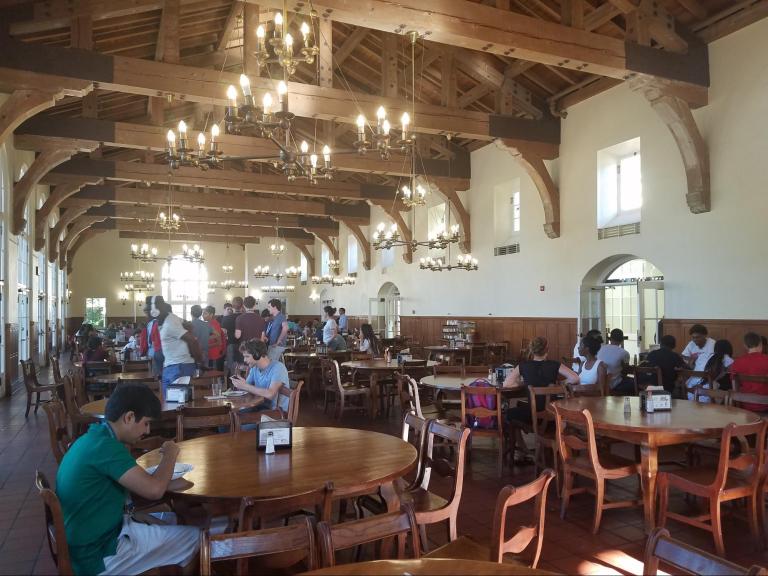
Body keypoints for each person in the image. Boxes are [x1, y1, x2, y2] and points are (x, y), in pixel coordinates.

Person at [55, 384, 199, 575]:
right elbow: (154, 490)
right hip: (97, 555)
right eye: (146, 423)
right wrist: (171, 453)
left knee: (171, 519)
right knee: (196, 538)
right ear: (129, 417)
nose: (147, 431)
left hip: (90, 537)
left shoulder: (95, 437)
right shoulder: (106, 448)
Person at [503, 337, 578, 459]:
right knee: (520, 409)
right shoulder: (555, 365)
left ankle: (524, 449)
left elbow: (506, 384)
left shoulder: (524, 366)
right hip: (553, 415)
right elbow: (575, 379)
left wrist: (523, 383)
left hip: (532, 415)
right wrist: (561, 384)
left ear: (531, 351)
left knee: (509, 414)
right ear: (547, 350)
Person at [150, 296, 201, 395]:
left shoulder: (170, 323)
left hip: (178, 366)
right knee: (171, 401)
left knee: (176, 403)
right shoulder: (170, 320)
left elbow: (192, 340)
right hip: (172, 365)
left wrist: (199, 361)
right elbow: (189, 327)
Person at [230, 339, 291, 421]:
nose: (244, 360)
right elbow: (246, 389)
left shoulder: (278, 368)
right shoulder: (255, 368)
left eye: (247, 356)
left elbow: (270, 394)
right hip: (260, 407)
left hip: (275, 414)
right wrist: (240, 384)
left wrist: (246, 386)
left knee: (236, 423)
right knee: (228, 419)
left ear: (257, 354)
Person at [730, 332, 768, 412]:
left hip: (744, 405)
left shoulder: (737, 362)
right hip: (765, 405)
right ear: (760, 343)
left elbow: (734, 384)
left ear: (745, 346)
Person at [681, 324, 716, 395]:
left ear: (705, 335)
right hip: (695, 374)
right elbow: (683, 357)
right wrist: (691, 359)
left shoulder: (712, 343)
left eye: (698, 337)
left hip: (708, 376)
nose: (695, 340)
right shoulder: (691, 344)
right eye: (693, 337)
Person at [597, 328, 632, 394]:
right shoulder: (624, 353)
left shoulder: (601, 348)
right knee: (635, 383)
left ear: (610, 339)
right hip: (613, 384)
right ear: (622, 340)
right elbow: (626, 371)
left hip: (599, 382)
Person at [139, 304, 164, 377]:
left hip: (156, 352)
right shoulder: (152, 323)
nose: (145, 316)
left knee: (157, 376)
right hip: (157, 353)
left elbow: (149, 341)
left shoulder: (154, 324)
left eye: (146, 314)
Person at [203, 305, 226, 371]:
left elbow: (219, 342)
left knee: (216, 374)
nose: (203, 315)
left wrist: (206, 346)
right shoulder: (209, 323)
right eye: (203, 313)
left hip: (216, 353)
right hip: (211, 353)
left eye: (205, 313)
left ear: (211, 314)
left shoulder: (214, 324)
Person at [220, 301, 240, 375]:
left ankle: (232, 381)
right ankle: (233, 381)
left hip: (232, 343)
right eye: (228, 309)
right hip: (235, 343)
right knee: (234, 364)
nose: (229, 310)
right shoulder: (236, 317)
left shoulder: (227, 318)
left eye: (230, 309)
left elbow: (224, 333)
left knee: (232, 364)